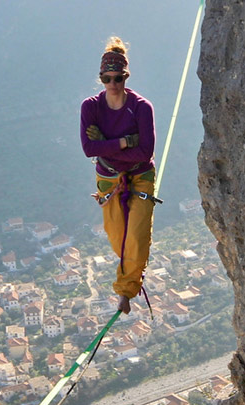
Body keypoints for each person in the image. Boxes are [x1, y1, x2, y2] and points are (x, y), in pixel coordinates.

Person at [80, 37, 157, 315]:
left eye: (118, 78)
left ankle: (127, 289)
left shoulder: (141, 107)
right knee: (117, 237)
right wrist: (125, 142)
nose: (112, 83)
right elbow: (89, 148)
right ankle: (133, 266)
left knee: (135, 235)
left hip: (140, 176)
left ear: (126, 76)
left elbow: (145, 152)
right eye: (107, 78)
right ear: (101, 78)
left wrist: (107, 144)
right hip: (109, 179)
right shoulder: (91, 107)